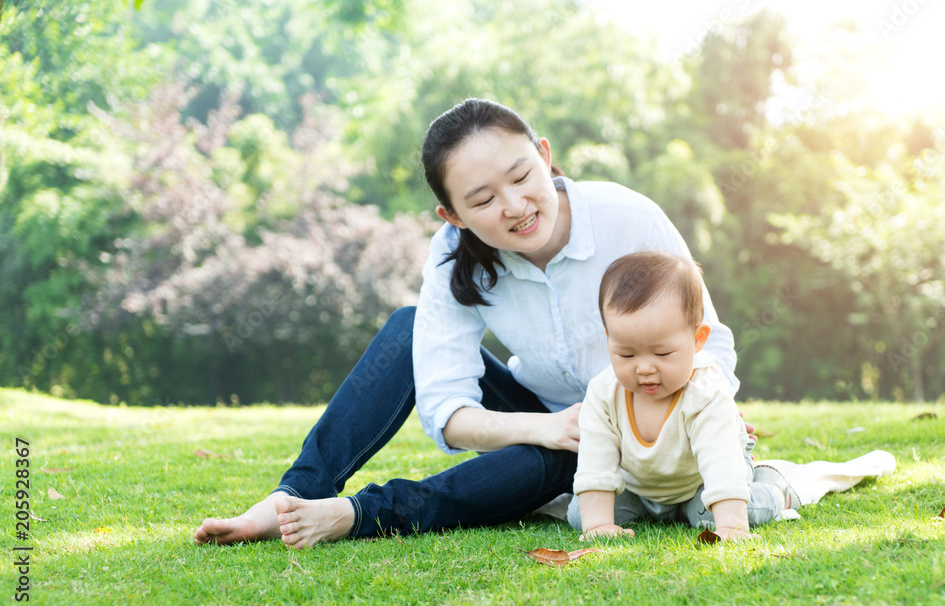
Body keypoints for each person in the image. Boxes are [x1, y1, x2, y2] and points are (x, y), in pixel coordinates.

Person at [194, 98, 745, 549]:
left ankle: (356, 515)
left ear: (545, 156)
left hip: (642, 418)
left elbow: (708, 342)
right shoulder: (451, 255)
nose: (515, 206)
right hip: (544, 422)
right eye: (482, 199)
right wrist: (546, 427)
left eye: (522, 176)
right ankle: (293, 497)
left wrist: (683, 417)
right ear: (453, 216)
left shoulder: (629, 218)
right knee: (410, 328)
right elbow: (446, 411)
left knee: (543, 465)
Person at [569, 251, 800, 543]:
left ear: (697, 339)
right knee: (582, 514)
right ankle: (654, 511)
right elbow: (596, 462)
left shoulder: (705, 393)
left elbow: (721, 463)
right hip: (641, 489)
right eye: (626, 353)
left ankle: (777, 490)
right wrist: (599, 524)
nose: (644, 368)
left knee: (715, 515)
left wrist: (731, 526)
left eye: (663, 353)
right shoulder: (604, 393)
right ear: (608, 337)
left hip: (700, 483)